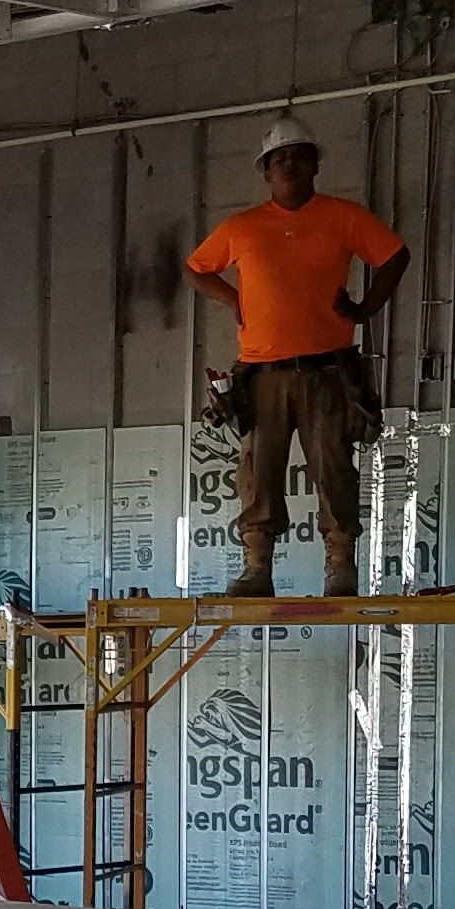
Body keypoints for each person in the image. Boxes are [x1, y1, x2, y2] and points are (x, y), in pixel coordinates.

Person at [187, 113, 411, 597]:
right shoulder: (242, 226)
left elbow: (395, 255)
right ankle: (257, 567)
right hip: (261, 373)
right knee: (258, 472)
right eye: (278, 159)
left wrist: (367, 307)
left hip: (326, 369)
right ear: (266, 171)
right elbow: (195, 268)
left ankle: (340, 566)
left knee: (333, 468)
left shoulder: (343, 217)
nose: (288, 165)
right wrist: (232, 299)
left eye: (297, 156)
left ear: (315, 165)